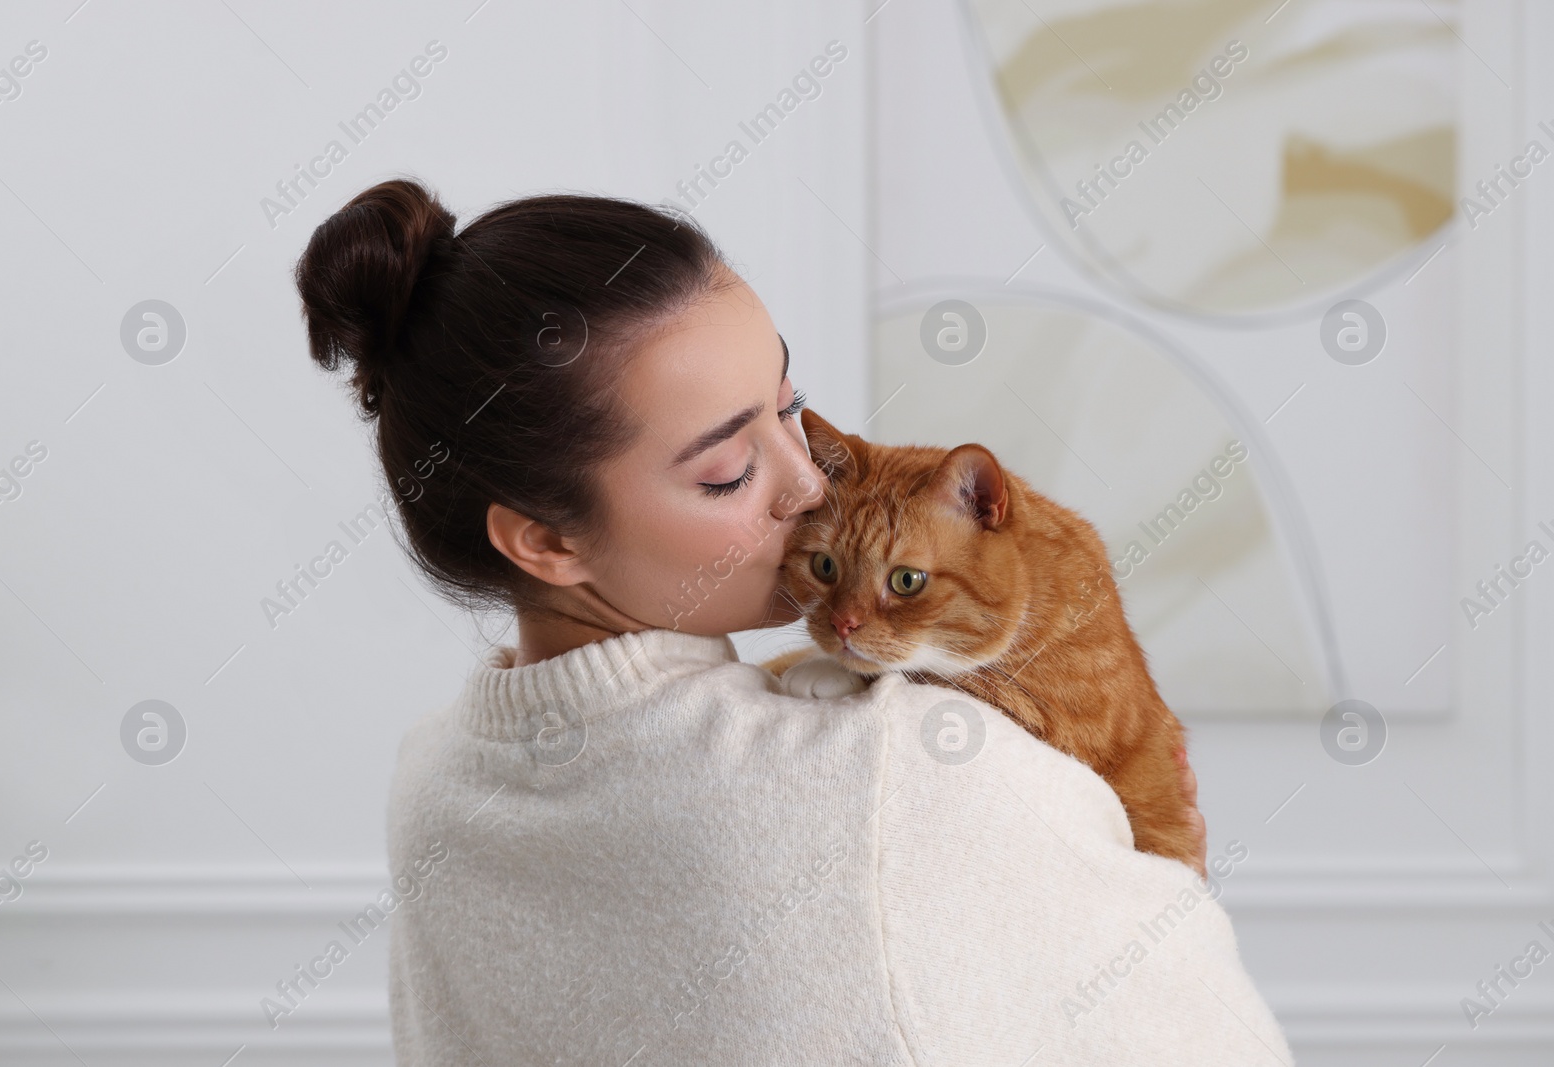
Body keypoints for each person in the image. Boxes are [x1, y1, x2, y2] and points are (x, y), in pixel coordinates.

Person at [294, 177, 1294, 1066]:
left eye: (789, 406)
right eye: (728, 469)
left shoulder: (433, 782)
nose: (807, 479)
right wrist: (1161, 890)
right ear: (546, 542)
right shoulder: (897, 768)